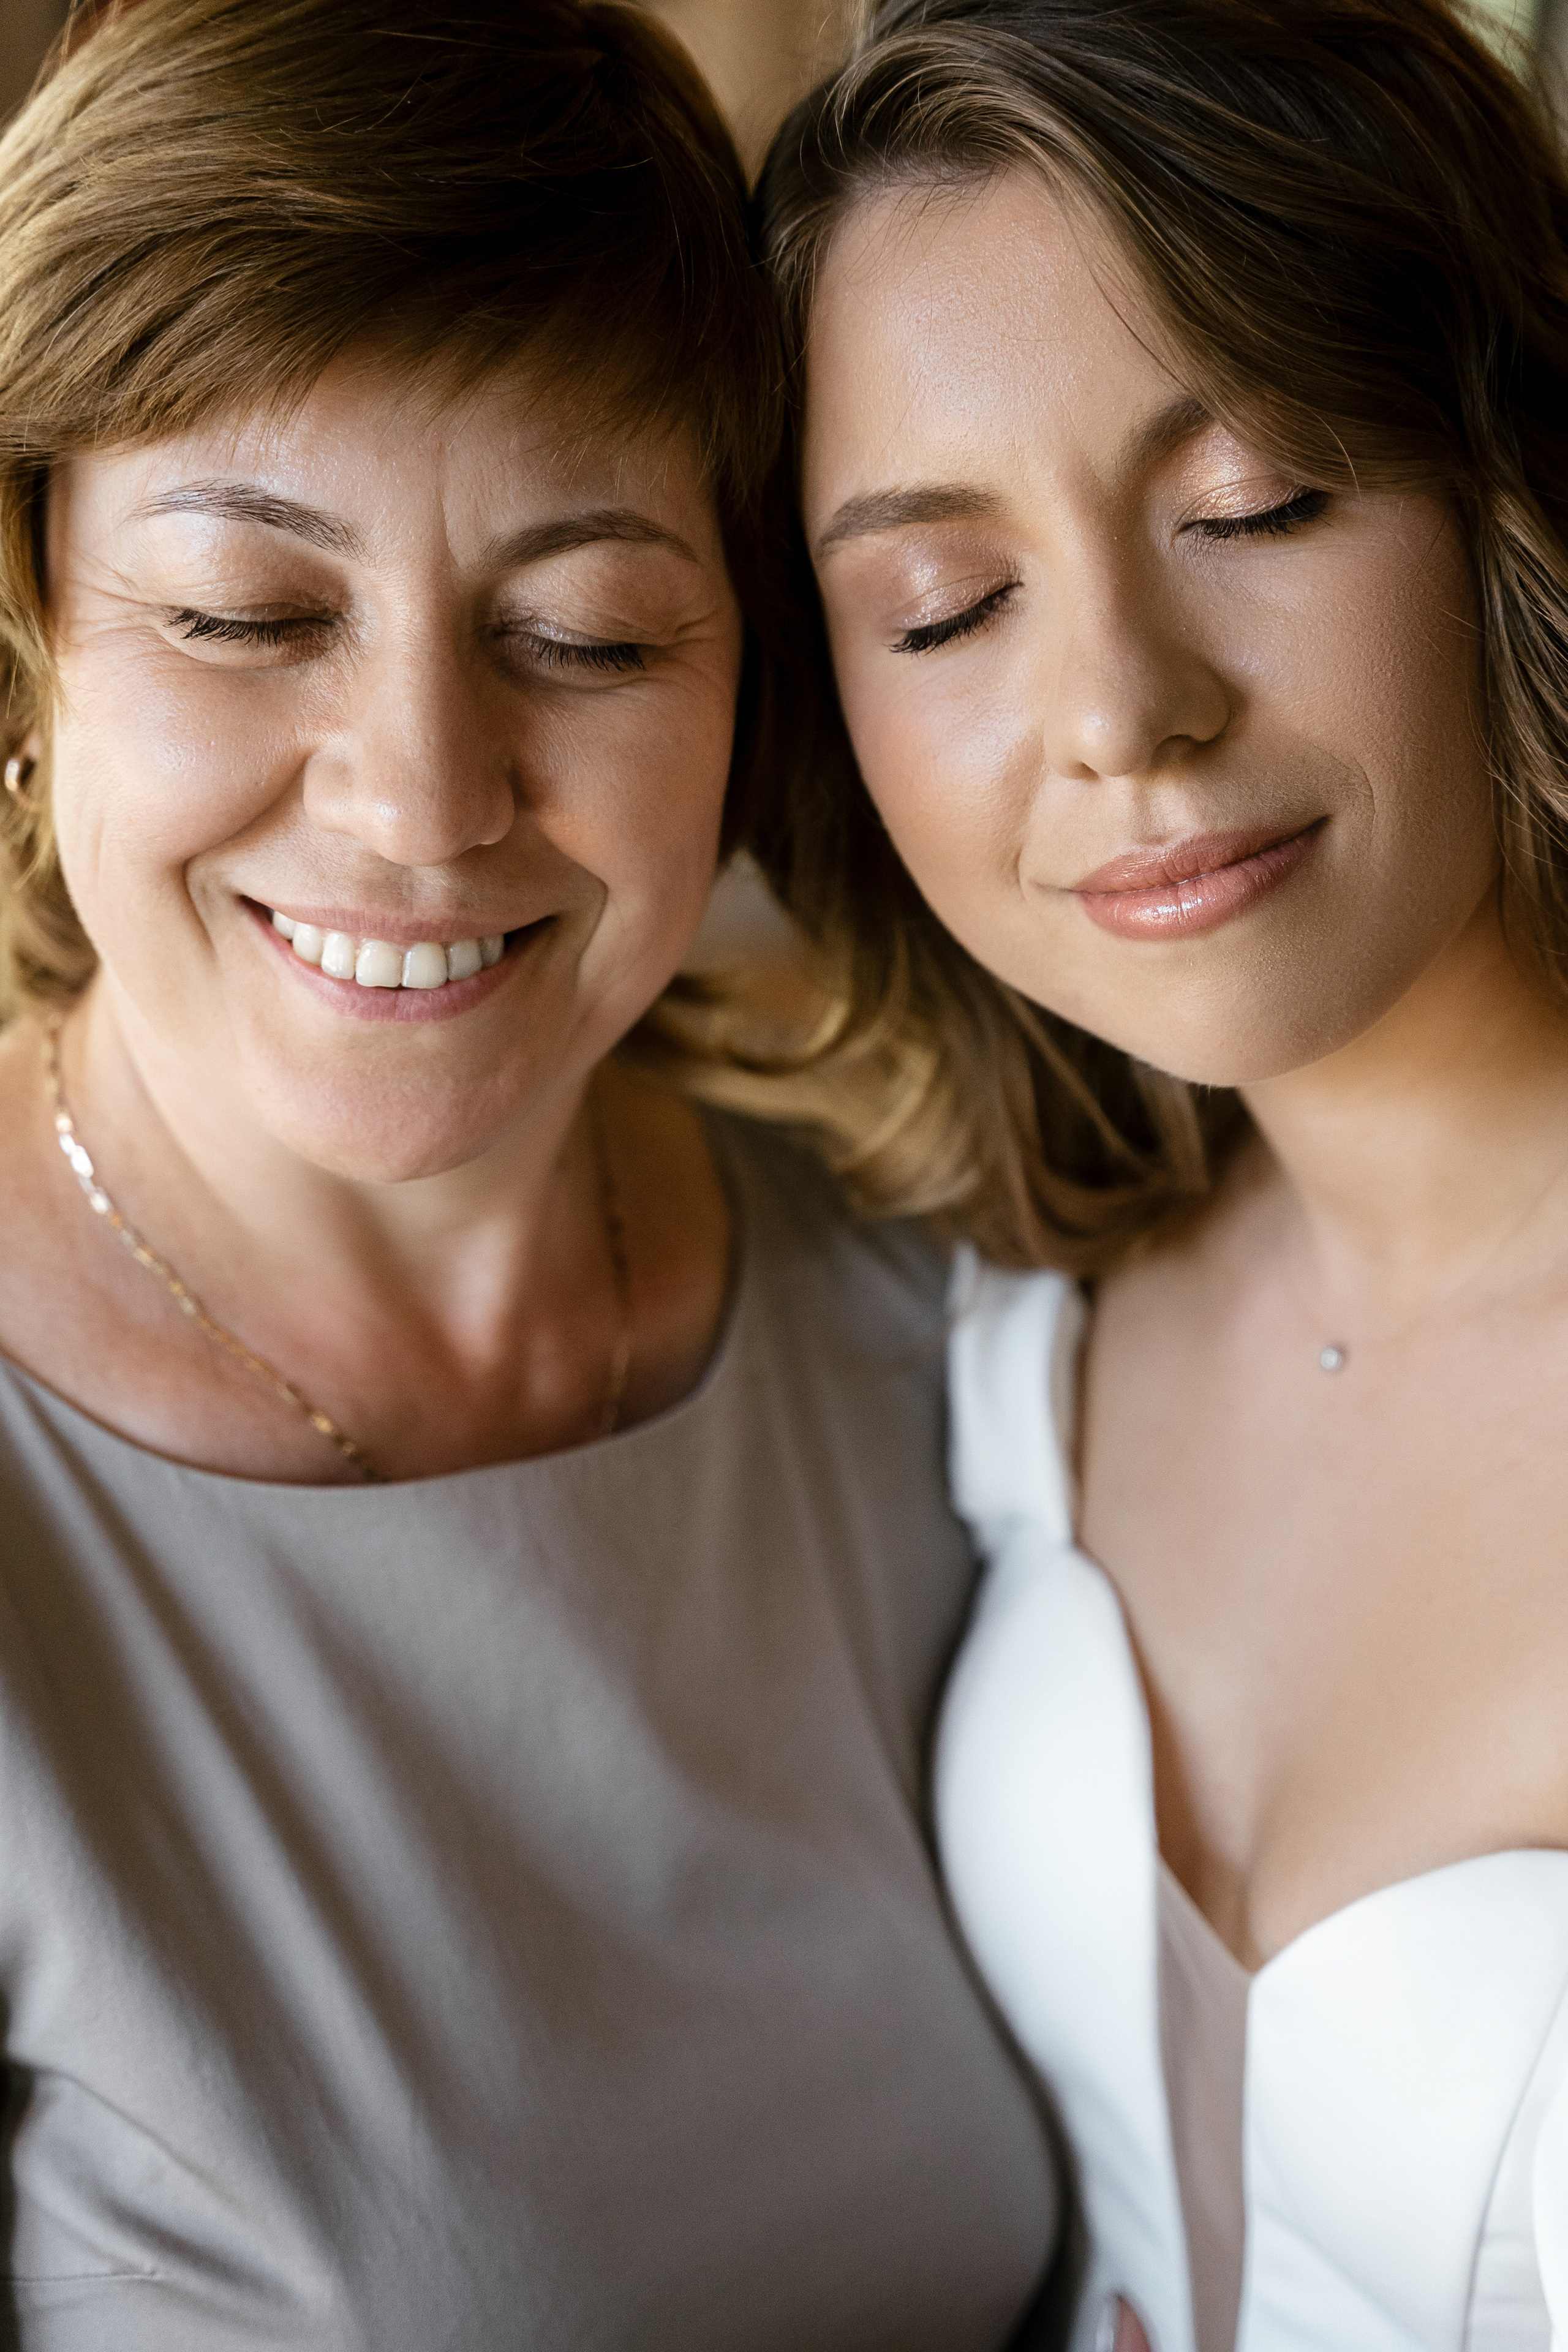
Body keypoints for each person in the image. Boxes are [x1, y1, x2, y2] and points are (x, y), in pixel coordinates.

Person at [0, 2, 1069, 2343]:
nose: (420, 794)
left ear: (747, 691)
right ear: (30, 640)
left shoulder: (920, 1272)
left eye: (583, 634)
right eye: (247, 614)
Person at [756, 0, 1568, 2345]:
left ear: (1503, 474)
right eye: (948, 607)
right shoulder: (1012, 1326)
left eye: (1253, 505)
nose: (1121, 708)